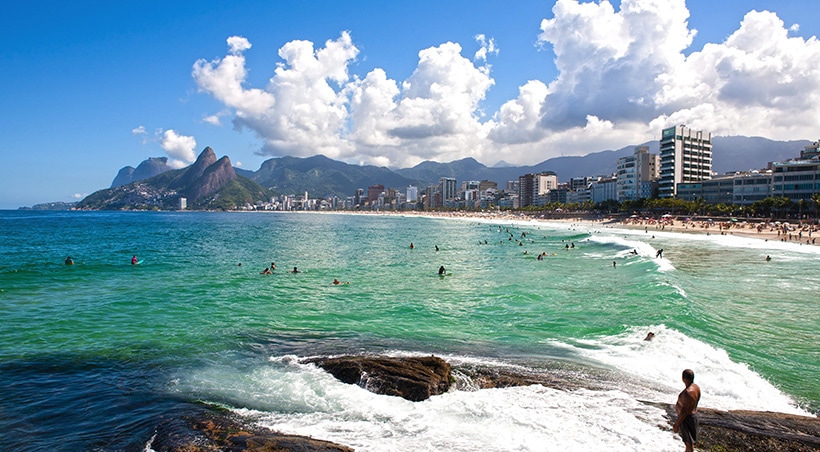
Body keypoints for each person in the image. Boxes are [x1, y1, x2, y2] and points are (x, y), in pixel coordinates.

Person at [673, 369, 701, 452]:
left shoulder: (687, 393)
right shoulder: (696, 387)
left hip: (687, 419)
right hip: (693, 416)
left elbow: (684, 411)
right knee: (690, 443)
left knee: (688, 443)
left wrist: (677, 424)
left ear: (683, 378)